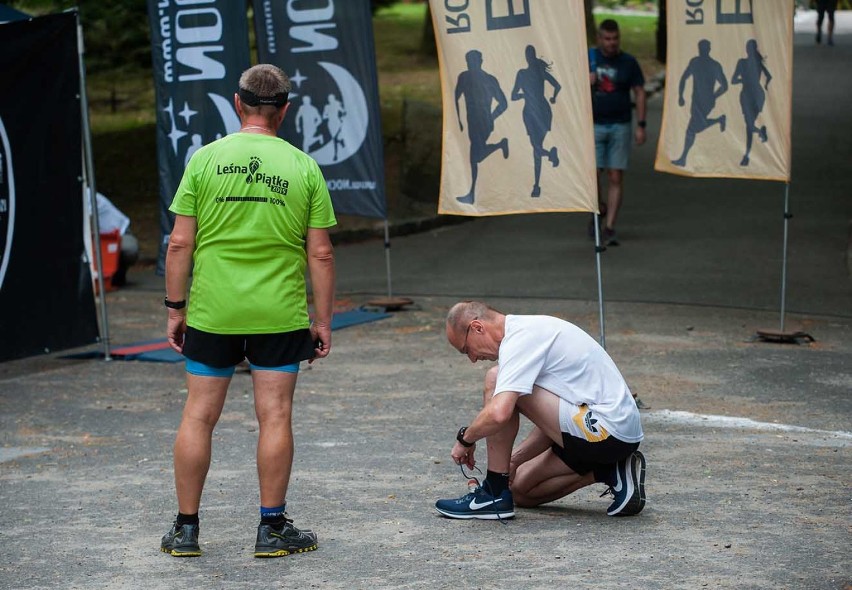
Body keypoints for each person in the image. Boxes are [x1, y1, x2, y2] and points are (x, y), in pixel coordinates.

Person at [160, 64, 337, 558]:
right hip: (277, 314)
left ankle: (186, 530)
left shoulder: (205, 160)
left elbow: (179, 243)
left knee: (198, 415)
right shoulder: (303, 166)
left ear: (238, 105)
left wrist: (176, 308)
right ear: (285, 109)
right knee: (275, 415)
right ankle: (272, 529)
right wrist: (322, 321)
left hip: (213, 311)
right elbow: (320, 253)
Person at [434, 301, 646, 521]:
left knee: (496, 380)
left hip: (605, 429)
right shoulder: (526, 334)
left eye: (466, 349)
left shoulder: (520, 339)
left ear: (477, 327)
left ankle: (494, 491)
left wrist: (465, 439)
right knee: (521, 490)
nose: (472, 359)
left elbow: (499, 413)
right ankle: (611, 471)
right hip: (605, 434)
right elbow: (554, 422)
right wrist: (514, 461)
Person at [589, 19, 646, 246]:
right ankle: (598, 208)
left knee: (615, 176)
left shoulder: (628, 62)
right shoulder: (589, 59)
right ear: (599, 39)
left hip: (620, 125)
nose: (612, 43)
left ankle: (610, 226)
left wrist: (641, 125)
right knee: (592, 175)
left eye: (615, 39)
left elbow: (640, 92)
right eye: (607, 39)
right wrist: (586, 82)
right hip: (594, 125)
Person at [454, 49, 509, 205]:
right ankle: (499, 145)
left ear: (480, 61)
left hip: (484, 121)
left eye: (473, 61)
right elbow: (455, 97)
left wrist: (491, 117)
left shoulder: (489, 79)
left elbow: (503, 103)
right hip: (472, 120)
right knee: (475, 155)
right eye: (469, 62)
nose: (471, 64)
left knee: (474, 156)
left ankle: (472, 193)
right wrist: (457, 119)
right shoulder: (464, 77)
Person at [511, 44, 562, 198]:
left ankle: (537, 184)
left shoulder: (527, 73)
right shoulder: (532, 73)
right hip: (536, 111)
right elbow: (557, 86)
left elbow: (513, 96)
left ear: (529, 57)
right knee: (536, 148)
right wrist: (552, 97)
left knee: (536, 148)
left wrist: (524, 95)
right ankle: (537, 184)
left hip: (536, 111)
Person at [671, 39, 729, 168]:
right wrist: (681, 95)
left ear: (709, 49)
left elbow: (725, 85)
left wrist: (714, 95)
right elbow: (684, 78)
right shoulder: (695, 62)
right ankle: (719, 120)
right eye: (701, 48)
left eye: (704, 48)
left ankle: (683, 158)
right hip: (696, 100)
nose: (702, 50)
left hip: (707, 101)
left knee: (692, 129)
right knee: (695, 127)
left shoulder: (714, 65)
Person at [731, 39, 772, 167]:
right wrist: (764, 85)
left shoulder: (742, 63)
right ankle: (759, 133)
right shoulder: (756, 63)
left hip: (749, 93)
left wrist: (743, 80)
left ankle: (747, 155)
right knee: (749, 124)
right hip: (756, 93)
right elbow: (769, 77)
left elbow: (733, 80)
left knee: (749, 125)